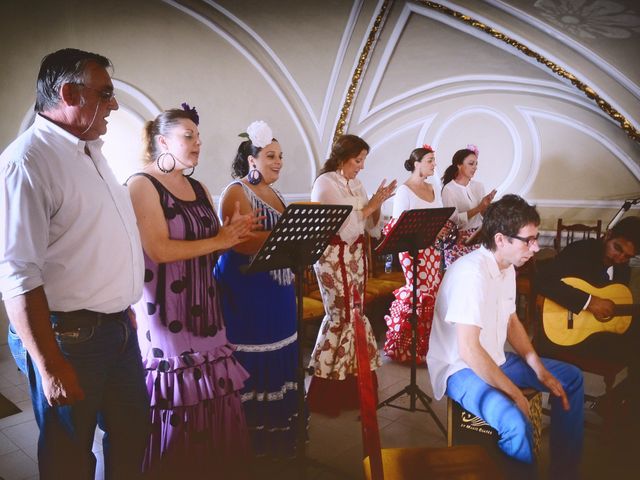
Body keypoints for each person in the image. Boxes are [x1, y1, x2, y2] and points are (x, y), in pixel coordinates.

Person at [0, 48, 149, 479]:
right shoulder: (27, 162)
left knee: (131, 432)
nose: (115, 105)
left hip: (116, 328)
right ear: (68, 93)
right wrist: (48, 364)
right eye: (105, 94)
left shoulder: (88, 151)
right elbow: (17, 276)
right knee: (69, 454)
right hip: (70, 338)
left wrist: (121, 304)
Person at [127, 105, 254, 477]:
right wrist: (220, 239)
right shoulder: (141, 183)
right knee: (179, 395)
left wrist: (235, 234)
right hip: (166, 310)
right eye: (188, 136)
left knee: (214, 389)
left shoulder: (198, 186)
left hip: (205, 304)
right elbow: (159, 250)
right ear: (162, 140)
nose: (198, 142)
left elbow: (214, 243)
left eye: (198, 136)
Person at [427, 194, 584, 479]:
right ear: (501, 239)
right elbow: (469, 350)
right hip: (460, 368)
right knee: (514, 421)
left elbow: (511, 320)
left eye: (535, 238)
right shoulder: (471, 274)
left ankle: (565, 472)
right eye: (528, 240)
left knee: (571, 378)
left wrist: (538, 367)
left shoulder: (508, 267)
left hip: (495, 358)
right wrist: (515, 394)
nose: (535, 248)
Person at [214, 120, 302, 458]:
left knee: (283, 348)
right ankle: (251, 437)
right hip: (248, 289)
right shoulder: (237, 191)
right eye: (270, 156)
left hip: (278, 287)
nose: (278, 162)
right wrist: (287, 238)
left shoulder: (275, 193)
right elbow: (239, 242)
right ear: (252, 160)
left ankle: (281, 432)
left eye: (280, 156)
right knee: (255, 351)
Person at [307, 134, 396, 416]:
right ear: (343, 158)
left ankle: (353, 387)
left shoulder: (356, 183)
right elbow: (345, 229)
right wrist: (371, 203)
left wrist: (378, 204)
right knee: (341, 316)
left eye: (363, 161)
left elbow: (370, 228)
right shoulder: (325, 184)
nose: (361, 167)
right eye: (358, 160)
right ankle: (329, 390)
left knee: (355, 314)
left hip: (356, 257)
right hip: (333, 258)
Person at [535, 216, 640, 412]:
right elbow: (543, 281)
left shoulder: (622, 269)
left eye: (627, 256)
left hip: (593, 334)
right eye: (617, 248)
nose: (619, 258)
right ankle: (616, 406)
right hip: (560, 336)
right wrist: (589, 302)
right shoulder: (580, 251)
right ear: (608, 236)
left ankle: (618, 404)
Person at [383, 144, 455, 363]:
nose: (434, 165)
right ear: (416, 164)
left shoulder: (433, 187)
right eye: (430, 160)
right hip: (412, 251)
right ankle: (409, 349)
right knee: (419, 291)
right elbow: (396, 227)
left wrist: (442, 227)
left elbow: (441, 216)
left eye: (434, 160)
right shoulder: (404, 191)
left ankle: (430, 348)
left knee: (433, 290)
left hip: (433, 248)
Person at [441, 145, 496, 266]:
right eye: (471, 164)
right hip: (459, 240)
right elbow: (454, 222)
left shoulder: (479, 186)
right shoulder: (448, 189)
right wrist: (479, 208)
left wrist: (486, 207)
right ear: (459, 165)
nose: (475, 167)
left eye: (476, 164)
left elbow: (482, 215)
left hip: (479, 236)